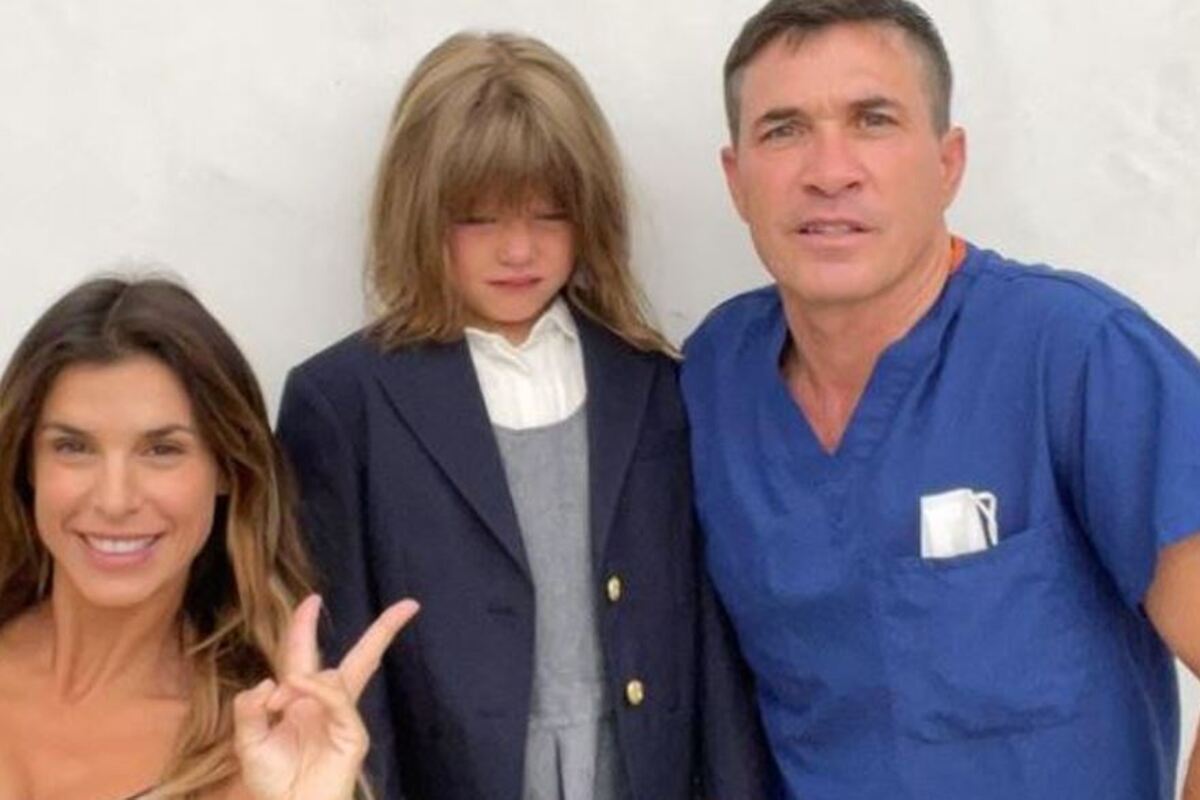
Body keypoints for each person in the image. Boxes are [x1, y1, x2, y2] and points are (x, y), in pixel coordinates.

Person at [680, 1, 1200, 798]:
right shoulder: (714, 379)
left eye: (873, 120)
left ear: (948, 162)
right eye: (784, 130)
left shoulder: (1075, 356)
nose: (829, 171)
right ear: (736, 179)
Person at [276, 31, 772, 800]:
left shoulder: (654, 383)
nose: (519, 250)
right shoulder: (343, 403)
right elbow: (345, 672)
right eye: (478, 218)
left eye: (550, 214)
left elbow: (710, 646)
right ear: (418, 209)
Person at [0, 276, 417, 800]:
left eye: (162, 450)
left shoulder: (260, 747)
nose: (114, 500)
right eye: (73, 447)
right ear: (27, 464)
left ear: (227, 469)